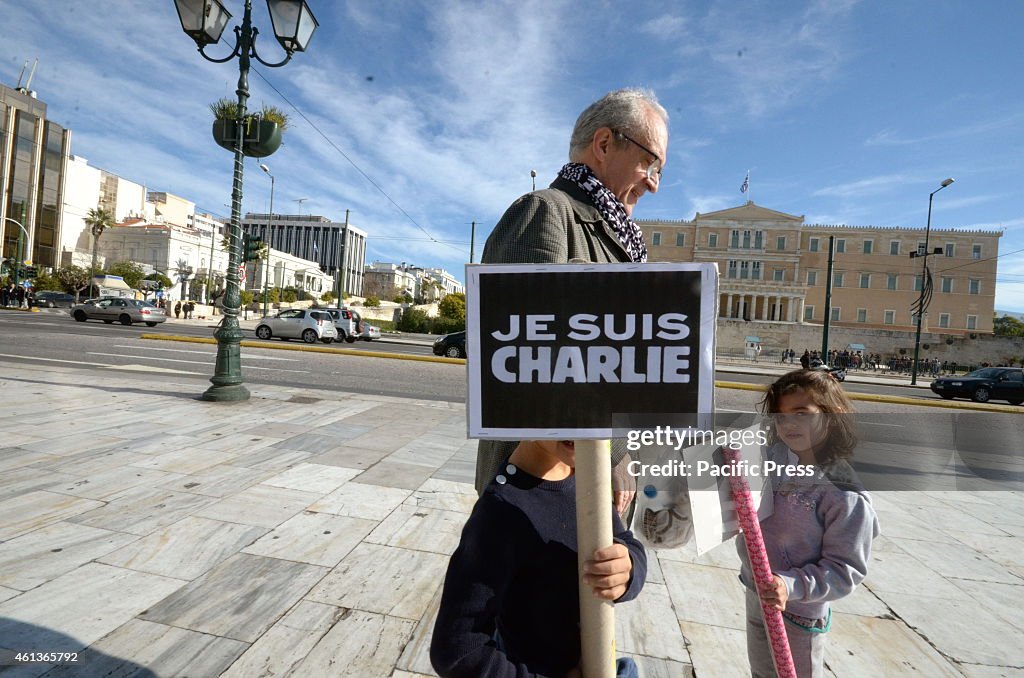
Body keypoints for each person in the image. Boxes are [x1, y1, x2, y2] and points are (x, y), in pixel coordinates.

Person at [475, 88, 669, 516]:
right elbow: (520, 368)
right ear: (603, 144)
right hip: (537, 497)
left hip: (589, 493)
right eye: (651, 162)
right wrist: (615, 452)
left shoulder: (624, 241)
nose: (654, 183)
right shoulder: (544, 213)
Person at [431, 439, 645, 678]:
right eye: (560, 404)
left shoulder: (588, 479)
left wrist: (628, 569)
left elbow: (626, 540)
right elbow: (456, 650)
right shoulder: (499, 512)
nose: (577, 422)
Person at [740, 370, 879, 677]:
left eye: (802, 414)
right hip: (757, 595)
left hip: (800, 615)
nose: (789, 424)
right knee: (761, 672)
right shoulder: (772, 459)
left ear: (832, 416)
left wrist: (789, 585)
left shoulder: (843, 493)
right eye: (781, 416)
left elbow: (844, 571)